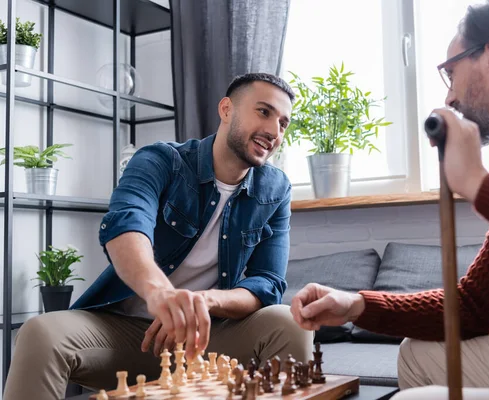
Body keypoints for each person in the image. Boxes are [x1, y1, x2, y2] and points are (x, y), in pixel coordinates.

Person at [290, 1, 489, 399]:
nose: (450, 97)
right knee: (421, 354)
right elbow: (472, 308)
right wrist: (355, 305)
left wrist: (478, 182)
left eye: (451, 72)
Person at [3, 73, 313, 400]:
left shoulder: (276, 189)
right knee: (39, 332)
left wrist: (202, 302)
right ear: (226, 110)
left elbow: (267, 282)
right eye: (263, 112)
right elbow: (126, 225)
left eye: (283, 123)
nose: (273, 131)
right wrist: (162, 295)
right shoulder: (161, 160)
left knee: (289, 321)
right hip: (126, 335)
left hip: (207, 338)